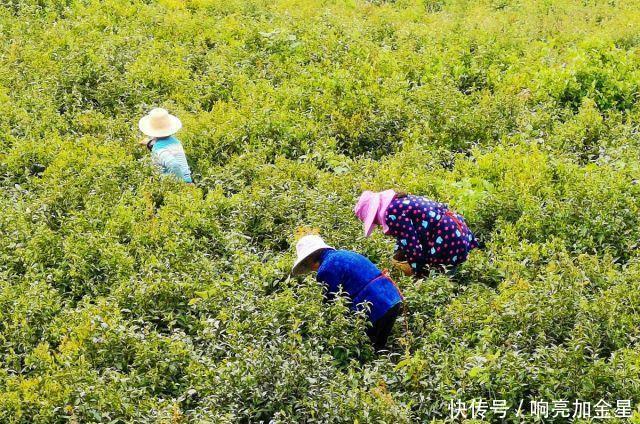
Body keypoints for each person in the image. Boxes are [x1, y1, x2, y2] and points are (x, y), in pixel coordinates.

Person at [291, 234, 403, 351]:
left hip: (375, 308)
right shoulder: (345, 254)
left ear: (309, 259)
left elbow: (331, 305)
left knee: (364, 350)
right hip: (392, 299)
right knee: (379, 349)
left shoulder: (325, 270)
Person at [354, 190, 478, 276]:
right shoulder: (398, 202)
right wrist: (398, 253)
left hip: (446, 238)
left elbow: (411, 247)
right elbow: (405, 238)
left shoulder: (391, 213)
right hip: (455, 229)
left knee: (444, 281)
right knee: (453, 273)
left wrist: (418, 272)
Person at [138, 108, 193, 183]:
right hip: (188, 180)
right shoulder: (175, 141)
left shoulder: (158, 148)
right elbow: (164, 150)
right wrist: (148, 143)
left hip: (178, 185)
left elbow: (174, 165)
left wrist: (180, 185)